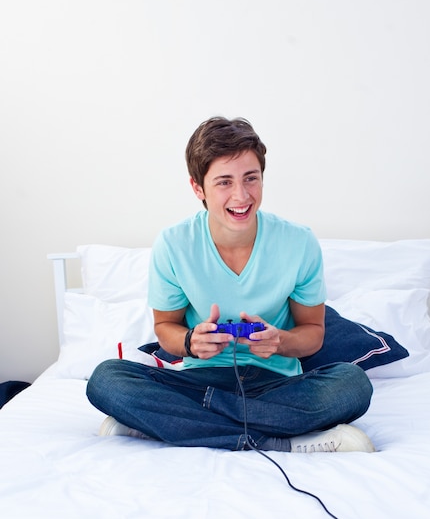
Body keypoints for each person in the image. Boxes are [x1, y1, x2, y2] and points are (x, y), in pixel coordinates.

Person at [86, 117, 374, 453]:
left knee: (353, 385)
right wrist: (192, 341)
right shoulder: (174, 244)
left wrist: (279, 341)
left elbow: (313, 332)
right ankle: (277, 440)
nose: (241, 195)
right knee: (106, 380)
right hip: (199, 382)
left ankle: (170, 426)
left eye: (251, 178)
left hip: (277, 386)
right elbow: (165, 327)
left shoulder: (299, 242)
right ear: (198, 188)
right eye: (224, 182)